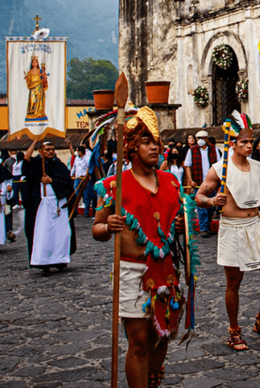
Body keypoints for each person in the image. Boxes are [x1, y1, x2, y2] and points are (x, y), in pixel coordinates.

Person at [93, 107, 193, 388]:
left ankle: (151, 381)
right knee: (138, 341)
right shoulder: (114, 186)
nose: (154, 148)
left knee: (162, 335)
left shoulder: (171, 182)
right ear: (132, 147)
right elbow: (96, 231)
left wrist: (182, 228)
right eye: (147, 142)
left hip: (165, 271)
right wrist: (108, 226)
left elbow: (176, 228)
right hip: (131, 272)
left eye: (156, 143)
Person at [195, 112, 260, 351]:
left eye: (251, 142)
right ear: (232, 144)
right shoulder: (220, 169)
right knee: (234, 283)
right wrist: (211, 202)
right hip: (232, 228)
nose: (250, 146)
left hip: (256, 225)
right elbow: (198, 196)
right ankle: (234, 331)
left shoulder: (258, 166)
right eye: (244, 142)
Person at [23, 139, 76, 275]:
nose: (51, 152)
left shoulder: (60, 165)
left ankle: (59, 260)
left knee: (60, 234)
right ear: (40, 151)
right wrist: (35, 140)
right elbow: (26, 159)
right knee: (44, 234)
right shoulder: (36, 164)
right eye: (47, 150)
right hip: (42, 206)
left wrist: (52, 181)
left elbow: (68, 183)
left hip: (59, 204)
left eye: (52, 149)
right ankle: (44, 263)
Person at [183, 130, 219, 236]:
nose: (200, 141)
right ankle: (203, 227)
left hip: (211, 183)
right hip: (198, 181)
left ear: (206, 139)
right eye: (198, 138)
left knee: (210, 205)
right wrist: (190, 179)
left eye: (202, 138)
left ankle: (207, 225)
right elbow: (187, 165)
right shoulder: (192, 150)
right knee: (201, 205)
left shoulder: (214, 149)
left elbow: (218, 163)